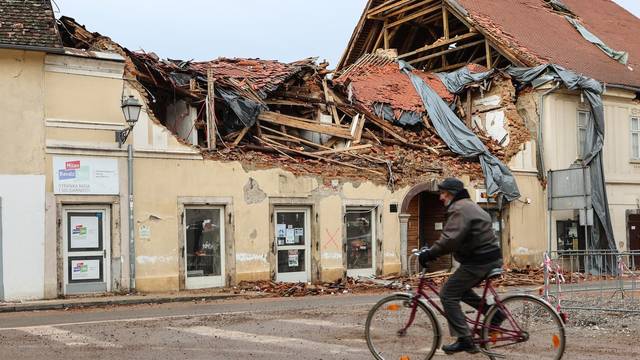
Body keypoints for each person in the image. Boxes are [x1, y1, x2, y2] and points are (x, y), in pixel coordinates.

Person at [418, 178, 504, 354]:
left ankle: (465, 339)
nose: (441, 197)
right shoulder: (468, 205)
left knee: (448, 294)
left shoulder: (460, 209)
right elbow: (458, 238)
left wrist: (429, 254)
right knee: (460, 290)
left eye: (443, 193)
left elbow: (450, 239)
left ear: (451, 194)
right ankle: (494, 314)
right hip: (489, 257)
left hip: (479, 260)